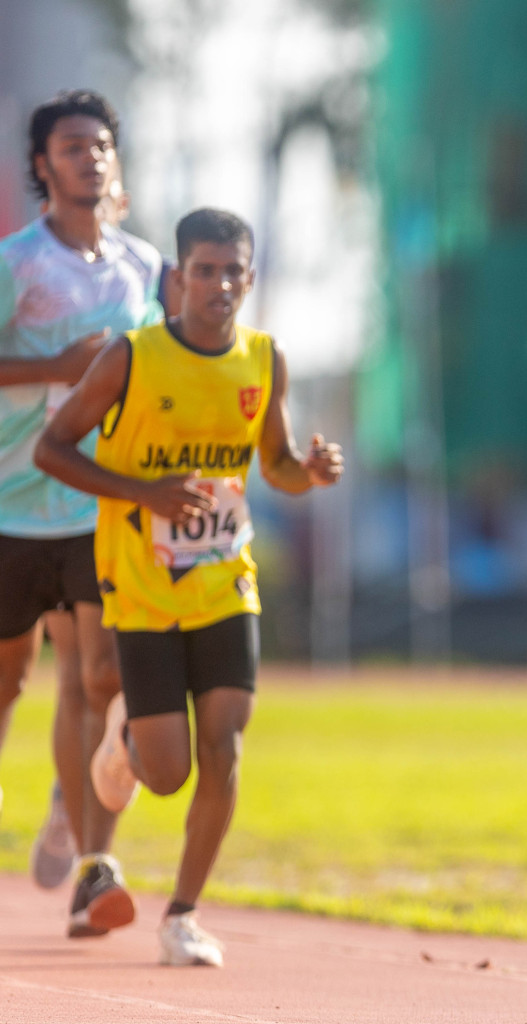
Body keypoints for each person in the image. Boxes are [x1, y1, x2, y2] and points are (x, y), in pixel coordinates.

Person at [35, 207, 344, 966]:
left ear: (249, 277)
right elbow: (52, 448)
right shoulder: (130, 358)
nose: (220, 284)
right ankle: (129, 739)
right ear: (177, 278)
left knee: (226, 745)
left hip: (224, 581)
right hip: (142, 584)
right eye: (204, 270)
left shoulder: (265, 360)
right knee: (168, 773)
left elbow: (272, 464)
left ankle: (182, 915)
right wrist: (146, 493)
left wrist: (306, 474)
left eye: (233, 270)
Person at [0, 90, 162, 932]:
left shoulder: (142, 266)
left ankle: (94, 870)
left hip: (98, 503)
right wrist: (56, 366)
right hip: (10, 499)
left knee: (95, 680)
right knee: (8, 681)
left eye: (100, 144)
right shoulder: (16, 263)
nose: (89, 157)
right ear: (42, 164)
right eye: (71, 146)